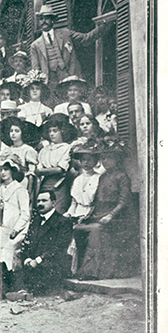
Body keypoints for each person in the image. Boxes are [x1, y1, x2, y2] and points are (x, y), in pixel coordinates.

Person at [75, 143, 136, 279]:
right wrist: (87, 216)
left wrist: (111, 215)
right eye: (103, 158)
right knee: (78, 228)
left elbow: (124, 201)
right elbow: (96, 201)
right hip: (100, 214)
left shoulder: (122, 177)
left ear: (116, 160)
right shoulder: (102, 177)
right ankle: (79, 269)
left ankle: (93, 272)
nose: (105, 161)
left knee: (96, 231)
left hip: (117, 218)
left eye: (109, 158)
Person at [28, 5, 112, 92]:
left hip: (70, 77)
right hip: (50, 83)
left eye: (47, 18)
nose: (43, 21)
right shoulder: (35, 45)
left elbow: (85, 38)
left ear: (52, 20)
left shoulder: (65, 33)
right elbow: (36, 70)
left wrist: (105, 25)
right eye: (41, 19)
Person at [16, 190, 73, 296]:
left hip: (52, 263)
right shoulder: (35, 220)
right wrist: (28, 258)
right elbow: (28, 242)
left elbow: (60, 247)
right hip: (33, 262)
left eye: (44, 200)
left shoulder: (63, 222)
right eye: (38, 201)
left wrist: (38, 260)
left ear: (54, 202)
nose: (40, 204)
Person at [0, 158, 30, 272]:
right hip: (3, 228)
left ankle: (12, 278)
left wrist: (16, 230)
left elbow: (26, 214)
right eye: (0, 170)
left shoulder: (20, 190)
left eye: (5, 169)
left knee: (8, 250)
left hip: (18, 229)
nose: (3, 173)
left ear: (12, 171)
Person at [36, 114, 77, 214]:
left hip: (60, 184)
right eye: (50, 131)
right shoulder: (44, 150)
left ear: (63, 132)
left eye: (55, 131)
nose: (52, 134)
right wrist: (50, 170)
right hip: (44, 185)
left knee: (58, 211)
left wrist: (44, 171)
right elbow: (38, 170)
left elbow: (61, 169)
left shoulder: (67, 148)